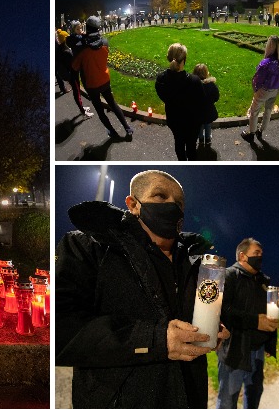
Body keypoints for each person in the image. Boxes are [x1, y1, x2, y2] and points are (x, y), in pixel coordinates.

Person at [56, 170, 230, 408]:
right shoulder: (90, 246)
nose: (172, 205)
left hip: (189, 398)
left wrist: (211, 329)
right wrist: (156, 339)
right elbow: (62, 330)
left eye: (179, 203)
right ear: (133, 204)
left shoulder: (195, 261)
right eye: (160, 196)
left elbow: (195, 316)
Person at [216, 238, 278, 409]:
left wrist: (269, 343)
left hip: (257, 351)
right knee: (228, 398)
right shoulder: (228, 276)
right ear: (242, 256)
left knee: (254, 393)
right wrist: (255, 321)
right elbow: (223, 311)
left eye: (262, 254)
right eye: (256, 253)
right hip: (234, 349)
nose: (260, 257)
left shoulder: (263, 281)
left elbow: (269, 313)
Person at [70, 16, 133, 139]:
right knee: (113, 104)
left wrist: (80, 40)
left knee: (99, 110)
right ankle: (128, 128)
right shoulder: (105, 42)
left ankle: (112, 131)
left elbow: (74, 67)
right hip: (104, 79)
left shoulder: (81, 47)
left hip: (91, 84)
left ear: (86, 28)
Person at [155, 43, 205, 160]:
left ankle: (181, 160)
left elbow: (163, 96)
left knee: (179, 142)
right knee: (191, 147)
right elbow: (202, 102)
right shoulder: (194, 81)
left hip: (174, 120)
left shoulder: (161, 79)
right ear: (184, 60)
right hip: (192, 122)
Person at [241, 36, 279, 143]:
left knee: (254, 111)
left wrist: (256, 89)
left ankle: (251, 133)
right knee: (268, 110)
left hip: (264, 90)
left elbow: (258, 79)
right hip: (275, 90)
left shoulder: (266, 63)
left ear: (269, 46)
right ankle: (261, 130)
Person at [56, 29, 92, 118]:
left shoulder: (60, 49)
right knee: (76, 92)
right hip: (72, 75)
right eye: (67, 37)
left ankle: (82, 107)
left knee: (77, 91)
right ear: (64, 39)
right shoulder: (66, 51)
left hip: (68, 75)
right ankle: (83, 112)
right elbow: (73, 64)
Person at [192, 63, 219, 146]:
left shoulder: (193, 86)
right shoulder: (211, 86)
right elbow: (216, 97)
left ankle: (200, 138)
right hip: (208, 110)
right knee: (207, 124)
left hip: (197, 111)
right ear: (206, 73)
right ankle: (207, 138)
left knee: (199, 124)